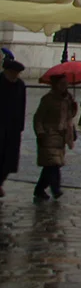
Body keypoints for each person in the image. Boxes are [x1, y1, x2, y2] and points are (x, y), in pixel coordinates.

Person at [32, 74, 77, 201]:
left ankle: (39, 189)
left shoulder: (68, 98)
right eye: (62, 83)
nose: (64, 86)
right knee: (53, 163)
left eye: (66, 83)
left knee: (50, 165)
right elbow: (38, 118)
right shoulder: (47, 99)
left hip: (61, 136)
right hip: (48, 134)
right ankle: (55, 189)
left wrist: (74, 108)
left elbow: (69, 116)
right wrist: (40, 132)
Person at [0, 58, 25, 198]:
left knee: (9, 158)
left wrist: (20, 125)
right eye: (14, 73)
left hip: (13, 127)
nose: (16, 76)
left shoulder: (20, 85)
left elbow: (22, 105)